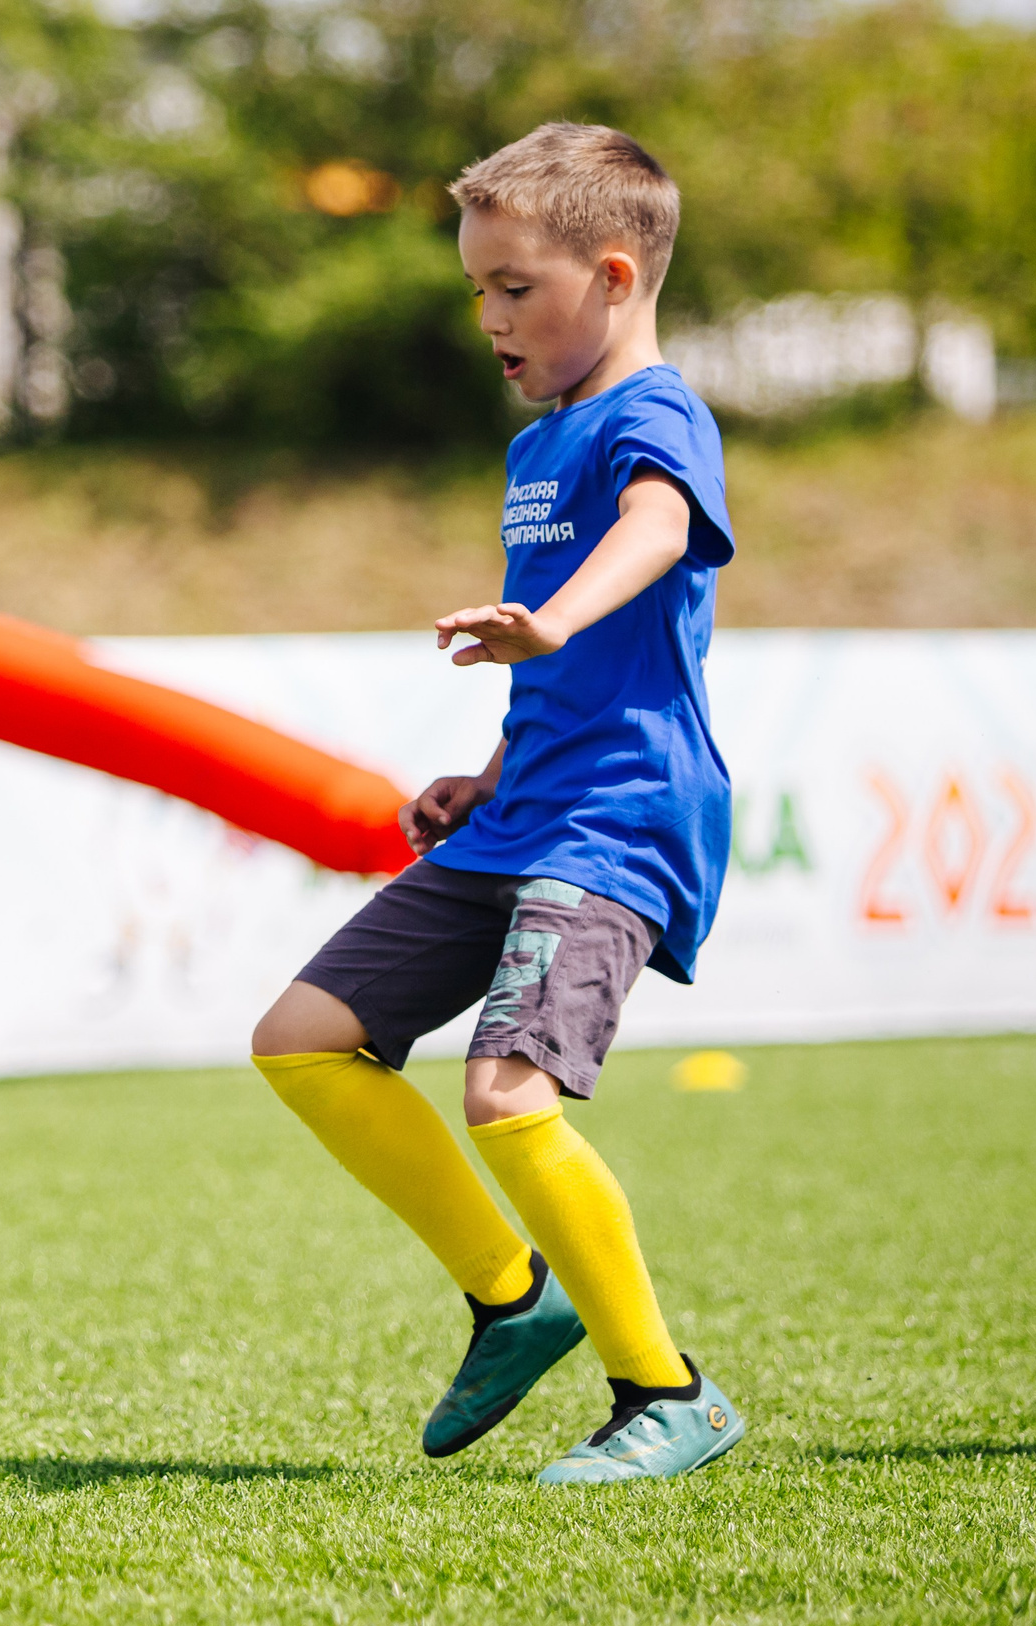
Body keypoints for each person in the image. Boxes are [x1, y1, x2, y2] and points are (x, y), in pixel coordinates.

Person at [249, 124, 745, 1484]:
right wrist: (493, 769)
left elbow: (657, 531)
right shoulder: (539, 446)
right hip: (531, 803)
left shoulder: (654, 415)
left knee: (506, 1090)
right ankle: (513, 1297)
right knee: (303, 1039)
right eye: (478, 289)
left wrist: (552, 618)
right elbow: (565, 667)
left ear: (615, 275)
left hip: (621, 815)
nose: (489, 318)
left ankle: (666, 1391)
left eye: (514, 288)